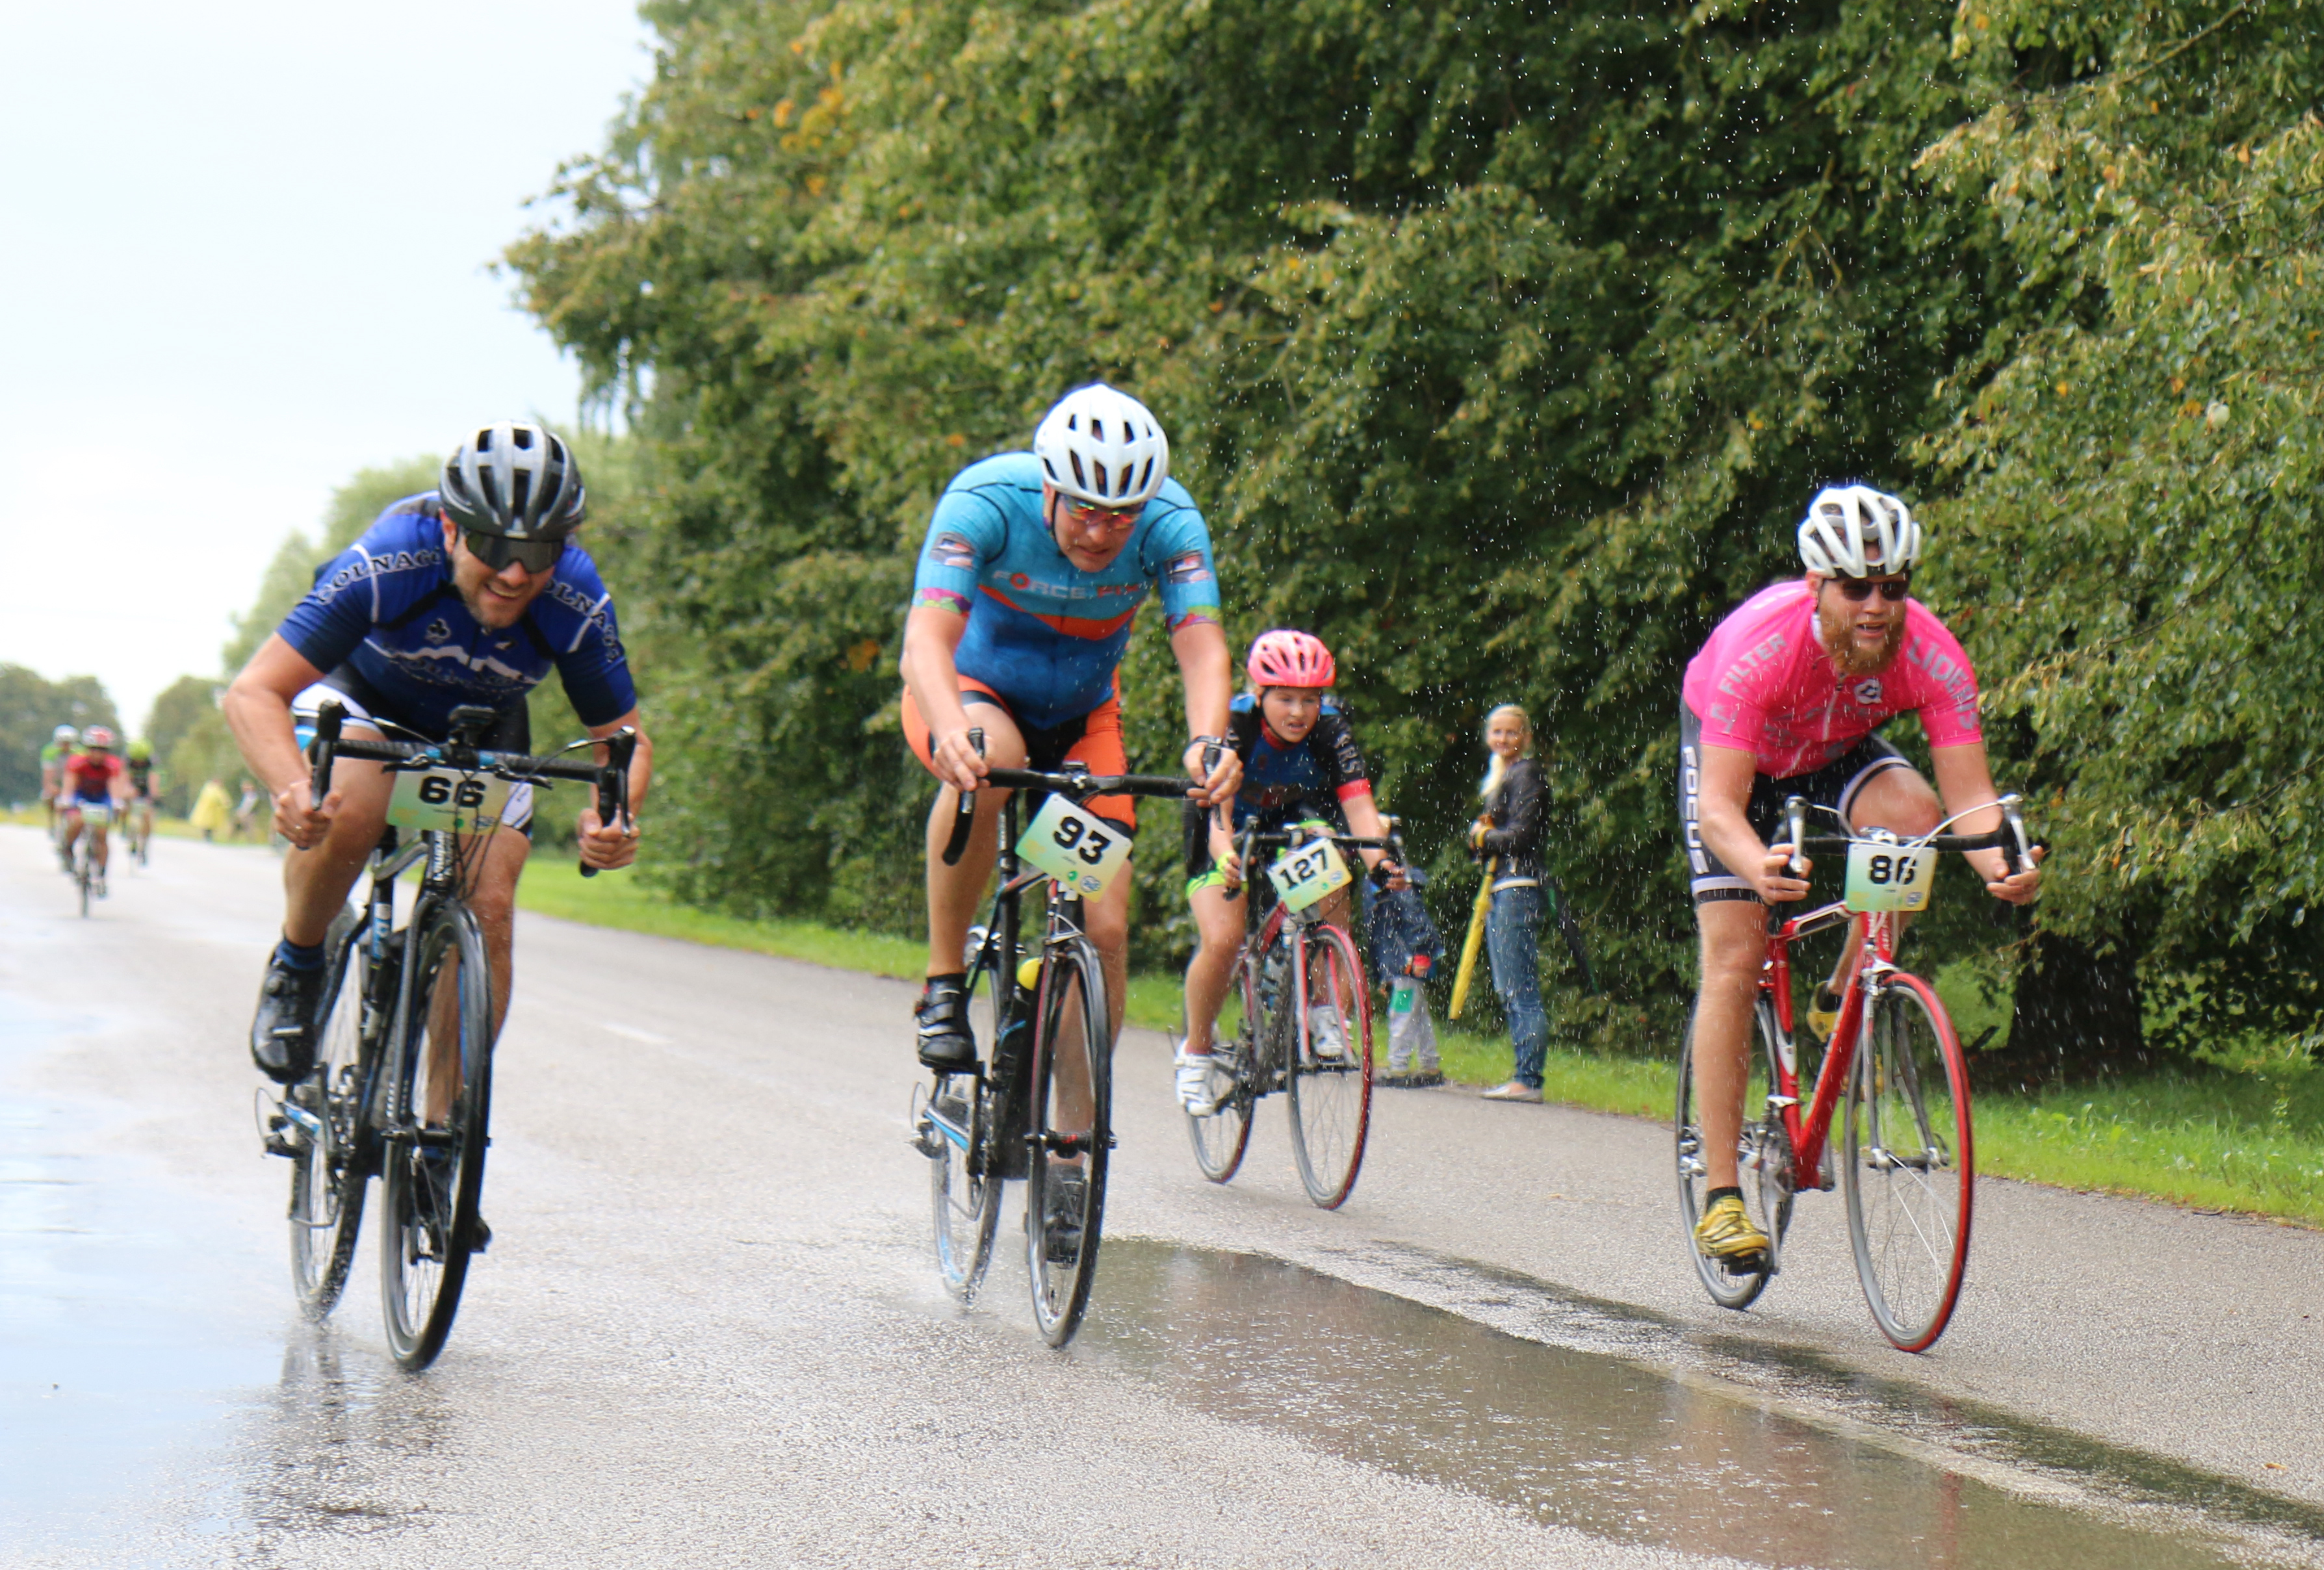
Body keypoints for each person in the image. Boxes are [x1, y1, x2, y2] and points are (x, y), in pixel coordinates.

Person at [223, 420, 652, 1098]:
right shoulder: (391, 558)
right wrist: (289, 787)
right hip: (364, 700)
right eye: (493, 546)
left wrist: (615, 814)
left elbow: (624, 741)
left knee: (492, 901)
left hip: (484, 722)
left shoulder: (575, 595)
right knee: (352, 805)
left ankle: (443, 1126)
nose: (515, 573)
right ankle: (299, 962)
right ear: (451, 529)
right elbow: (253, 692)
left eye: (538, 551)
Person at [1679, 484, 2043, 1268]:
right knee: (1737, 956)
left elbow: (1969, 801)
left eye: (1893, 587)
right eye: (1856, 588)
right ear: (1816, 585)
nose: (1878, 605)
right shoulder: (1761, 651)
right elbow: (1718, 810)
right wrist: (1758, 864)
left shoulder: (1932, 653)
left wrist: (2001, 864)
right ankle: (1721, 1196)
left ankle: (1843, 991)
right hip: (1738, 765)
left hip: (1832, 751)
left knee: (1916, 818)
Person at [901, 383, 1239, 1071]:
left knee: (1105, 927)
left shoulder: (1172, 523)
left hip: (1082, 722)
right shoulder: (987, 499)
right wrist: (950, 727)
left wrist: (1209, 743)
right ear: (1050, 488)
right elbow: (924, 642)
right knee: (992, 756)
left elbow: (1203, 649)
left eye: (1122, 517)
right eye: (1084, 509)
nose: (1099, 533)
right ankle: (943, 984)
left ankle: (1077, 1130)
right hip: (970, 694)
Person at [1176, 630, 1406, 1115]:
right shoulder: (1235, 724)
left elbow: (1359, 807)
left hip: (1288, 819)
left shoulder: (1332, 729)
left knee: (1332, 860)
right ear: (1258, 694)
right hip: (1222, 821)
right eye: (1285, 699)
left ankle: (1325, 1010)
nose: (1299, 712)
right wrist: (1226, 855)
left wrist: (1382, 865)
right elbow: (1217, 813)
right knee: (1224, 938)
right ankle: (1196, 1052)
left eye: (1310, 699)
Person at [1471, 704, 1551, 1103]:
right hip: (1502, 888)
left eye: (1511, 732)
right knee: (1510, 987)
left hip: (1518, 887)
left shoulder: (1526, 774)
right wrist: (1479, 840)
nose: (1503, 739)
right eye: (1497, 732)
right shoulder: (1501, 776)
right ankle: (1525, 1075)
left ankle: (1529, 1079)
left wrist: (1482, 837)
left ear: (1526, 736)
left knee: (1520, 988)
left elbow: (1521, 836)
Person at [1366, 864, 1444, 1088]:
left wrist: (1420, 953)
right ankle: (1430, 1065)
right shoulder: (1390, 891)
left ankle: (1399, 1067)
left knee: (1402, 1013)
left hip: (1407, 966)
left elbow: (1416, 923)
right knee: (1418, 1015)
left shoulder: (1398, 889)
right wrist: (1385, 974)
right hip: (1402, 966)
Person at [57, 726, 128, 892]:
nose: (98, 754)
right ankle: (68, 848)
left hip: (102, 797)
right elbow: (70, 783)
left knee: (102, 834)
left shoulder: (113, 765)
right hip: (81, 795)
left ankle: (101, 875)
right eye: (94, 749)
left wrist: (117, 802)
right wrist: (65, 799)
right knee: (77, 821)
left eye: (103, 750)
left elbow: (114, 785)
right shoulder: (77, 762)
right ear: (88, 749)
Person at [40, 724, 77, 869]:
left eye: (68, 743)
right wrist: (50, 787)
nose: (66, 746)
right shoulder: (50, 752)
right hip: (57, 781)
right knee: (49, 796)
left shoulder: (79, 752)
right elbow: (48, 773)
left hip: (72, 784)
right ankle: (52, 823)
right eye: (63, 743)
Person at [123, 738, 157, 855]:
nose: (139, 763)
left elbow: (153, 780)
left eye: (142, 761)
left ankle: (144, 844)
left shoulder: (152, 764)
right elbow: (124, 779)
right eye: (136, 760)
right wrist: (126, 793)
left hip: (145, 790)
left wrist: (154, 796)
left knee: (147, 815)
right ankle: (126, 829)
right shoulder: (127, 763)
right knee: (125, 808)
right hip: (132, 789)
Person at [190, 777, 233, 842]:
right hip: (211, 812)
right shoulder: (215, 790)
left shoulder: (207, 789)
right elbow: (224, 801)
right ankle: (207, 837)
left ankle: (206, 837)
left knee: (208, 825)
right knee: (208, 825)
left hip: (209, 811)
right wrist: (224, 805)